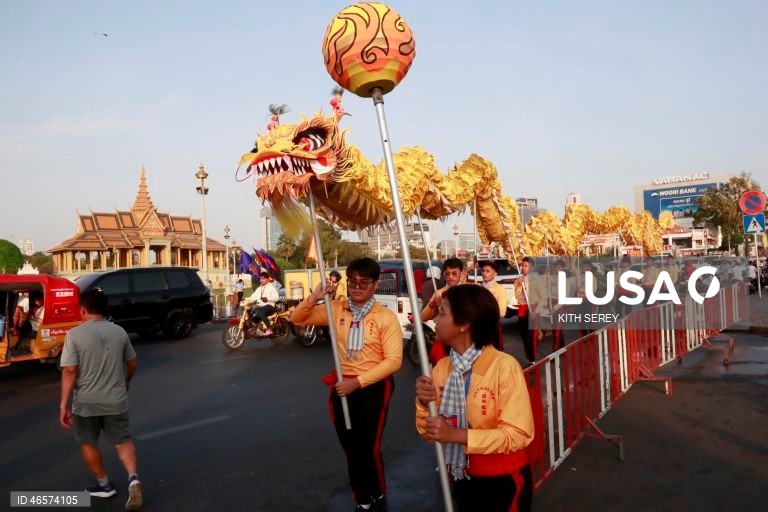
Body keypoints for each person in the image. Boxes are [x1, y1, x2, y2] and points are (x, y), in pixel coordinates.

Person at [290, 257, 402, 512]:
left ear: (375, 285)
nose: (357, 287)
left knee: (367, 448)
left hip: (374, 386)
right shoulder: (336, 309)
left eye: (364, 282)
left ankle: (378, 495)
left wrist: (358, 383)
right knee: (350, 448)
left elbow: (394, 361)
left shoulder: (385, 317)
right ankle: (362, 499)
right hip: (343, 386)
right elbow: (298, 319)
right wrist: (315, 296)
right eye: (353, 282)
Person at [415, 284, 535, 512]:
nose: (435, 320)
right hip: (462, 475)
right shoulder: (441, 368)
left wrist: (456, 435)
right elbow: (428, 431)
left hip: (502, 480)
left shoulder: (503, 366)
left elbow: (518, 434)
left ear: (464, 324)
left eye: (442, 313)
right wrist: (423, 403)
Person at [59, 288, 143, 511]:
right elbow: (133, 363)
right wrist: (126, 382)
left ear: (83, 309)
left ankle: (104, 485)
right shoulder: (119, 332)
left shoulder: (74, 335)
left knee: (88, 442)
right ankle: (133, 478)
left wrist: (63, 405)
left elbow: (69, 371)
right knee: (122, 440)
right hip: (116, 400)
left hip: (86, 403)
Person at [421, 257, 467, 365]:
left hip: (464, 338)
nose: (450, 277)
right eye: (447, 274)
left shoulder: (470, 290)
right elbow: (423, 317)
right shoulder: (438, 294)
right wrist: (433, 306)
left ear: (461, 272)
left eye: (454, 273)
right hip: (446, 339)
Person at [478, 260, 507, 352]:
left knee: (495, 352)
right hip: (477, 326)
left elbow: (502, 312)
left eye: (488, 271)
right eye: (483, 271)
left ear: (495, 274)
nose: (484, 273)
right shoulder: (477, 288)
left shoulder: (500, 289)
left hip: (493, 326)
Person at [514, 257, 536, 365]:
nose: (523, 268)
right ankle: (529, 358)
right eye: (522, 265)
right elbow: (517, 296)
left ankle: (532, 359)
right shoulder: (518, 280)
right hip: (522, 307)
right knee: (523, 335)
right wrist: (519, 285)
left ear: (531, 267)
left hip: (533, 308)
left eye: (526, 266)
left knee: (530, 336)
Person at [243, 271, 280, 336]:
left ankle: (269, 329)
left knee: (260, 313)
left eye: (263, 278)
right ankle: (257, 328)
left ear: (268, 279)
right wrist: (246, 299)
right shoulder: (259, 288)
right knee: (252, 313)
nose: (261, 280)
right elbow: (253, 296)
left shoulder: (271, 287)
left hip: (270, 306)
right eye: (260, 278)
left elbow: (277, 297)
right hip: (261, 306)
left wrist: (267, 299)